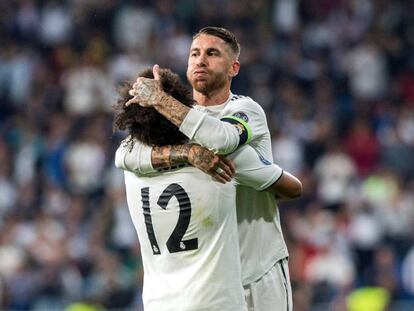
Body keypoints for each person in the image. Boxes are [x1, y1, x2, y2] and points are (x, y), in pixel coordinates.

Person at [117, 27, 301, 311]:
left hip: (258, 269)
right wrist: (188, 153)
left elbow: (222, 140)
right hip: (211, 279)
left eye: (212, 53)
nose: (201, 60)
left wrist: (159, 100)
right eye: (195, 54)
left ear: (233, 68)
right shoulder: (177, 122)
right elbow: (124, 153)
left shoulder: (245, 110)